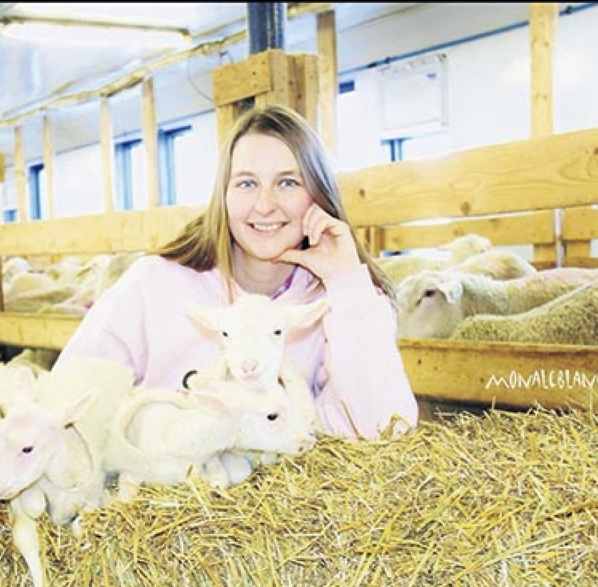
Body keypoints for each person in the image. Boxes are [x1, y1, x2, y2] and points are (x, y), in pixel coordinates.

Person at [54, 103, 418, 440]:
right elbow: (72, 395)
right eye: (246, 183)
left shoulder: (334, 304)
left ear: (318, 197)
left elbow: (385, 430)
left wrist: (348, 284)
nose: (264, 205)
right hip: (162, 489)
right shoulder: (155, 284)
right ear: (223, 196)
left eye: (288, 182)